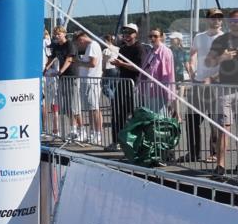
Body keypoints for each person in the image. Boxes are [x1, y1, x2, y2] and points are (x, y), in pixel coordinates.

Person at [185, 9, 224, 163]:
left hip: (216, 85)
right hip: (198, 83)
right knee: (192, 119)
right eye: (213, 17)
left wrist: (212, 78)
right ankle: (193, 152)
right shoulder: (199, 37)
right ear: (208, 19)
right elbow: (193, 53)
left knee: (214, 121)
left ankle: (214, 153)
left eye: (219, 17)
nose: (216, 20)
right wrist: (192, 69)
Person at [205, 10, 238, 181]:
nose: (234, 23)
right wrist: (222, 57)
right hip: (225, 89)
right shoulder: (221, 40)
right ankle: (221, 165)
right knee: (224, 129)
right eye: (232, 21)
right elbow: (208, 61)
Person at [108, 23, 149, 151]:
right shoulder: (123, 48)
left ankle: (136, 142)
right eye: (125, 33)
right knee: (117, 113)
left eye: (129, 33)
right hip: (122, 83)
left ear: (135, 34)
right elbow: (121, 64)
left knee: (134, 115)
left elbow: (139, 67)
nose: (127, 36)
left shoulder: (139, 48)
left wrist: (122, 64)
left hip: (134, 84)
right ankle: (116, 141)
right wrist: (117, 64)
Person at [72, 31, 104, 145]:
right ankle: (93, 132)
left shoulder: (92, 46)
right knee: (91, 109)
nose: (80, 46)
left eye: (78, 43)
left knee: (94, 108)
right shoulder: (91, 46)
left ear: (81, 39)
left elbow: (93, 63)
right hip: (88, 80)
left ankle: (98, 133)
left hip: (92, 80)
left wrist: (79, 63)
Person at [138, 28, 175, 117]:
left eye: (155, 36)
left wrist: (168, 92)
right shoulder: (151, 51)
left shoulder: (165, 51)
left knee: (159, 117)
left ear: (161, 37)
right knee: (151, 117)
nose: (152, 38)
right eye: (150, 36)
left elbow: (169, 73)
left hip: (159, 91)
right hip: (149, 89)